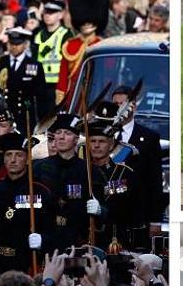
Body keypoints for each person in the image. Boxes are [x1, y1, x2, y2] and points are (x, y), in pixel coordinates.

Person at [0, 132, 56, 286]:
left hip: (27, 262)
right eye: (9, 155)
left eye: (18, 155)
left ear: (27, 159)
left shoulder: (41, 190)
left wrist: (43, 240)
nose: (13, 160)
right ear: (4, 159)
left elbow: (54, 229)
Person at [33, 113, 96, 249]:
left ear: (76, 139)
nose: (61, 137)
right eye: (58, 132)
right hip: (45, 237)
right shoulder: (38, 168)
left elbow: (102, 203)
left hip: (77, 239)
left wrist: (100, 210)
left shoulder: (88, 170)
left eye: (67, 133)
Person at [109, 86, 165, 230]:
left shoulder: (149, 138)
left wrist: (155, 220)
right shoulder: (103, 135)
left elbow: (155, 181)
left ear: (133, 107)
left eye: (122, 104)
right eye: (115, 104)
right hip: (107, 212)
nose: (118, 108)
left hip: (137, 213)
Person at [86, 119, 143, 252]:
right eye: (93, 141)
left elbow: (127, 208)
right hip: (85, 238)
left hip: (114, 239)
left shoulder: (123, 173)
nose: (96, 146)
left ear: (111, 144)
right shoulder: (81, 171)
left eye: (102, 141)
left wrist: (102, 210)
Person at [56, 0, 108, 108]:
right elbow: (62, 79)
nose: (86, 24)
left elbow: (107, 77)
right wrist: (60, 104)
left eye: (90, 21)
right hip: (72, 99)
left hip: (94, 98)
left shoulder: (102, 46)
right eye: (83, 20)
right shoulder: (70, 45)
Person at [0, 27, 48, 134]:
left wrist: (43, 123)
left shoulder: (34, 65)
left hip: (25, 116)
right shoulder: (0, 63)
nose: (14, 47)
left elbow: (41, 97)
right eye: (11, 43)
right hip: (4, 117)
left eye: (18, 44)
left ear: (25, 45)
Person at [33, 0, 72, 92]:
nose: (47, 15)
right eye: (46, 12)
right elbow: (34, 59)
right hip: (39, 83)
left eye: (52, 12)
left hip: (58, 84)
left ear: (60, 15)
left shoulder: (66, 34)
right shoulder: (38, 34)